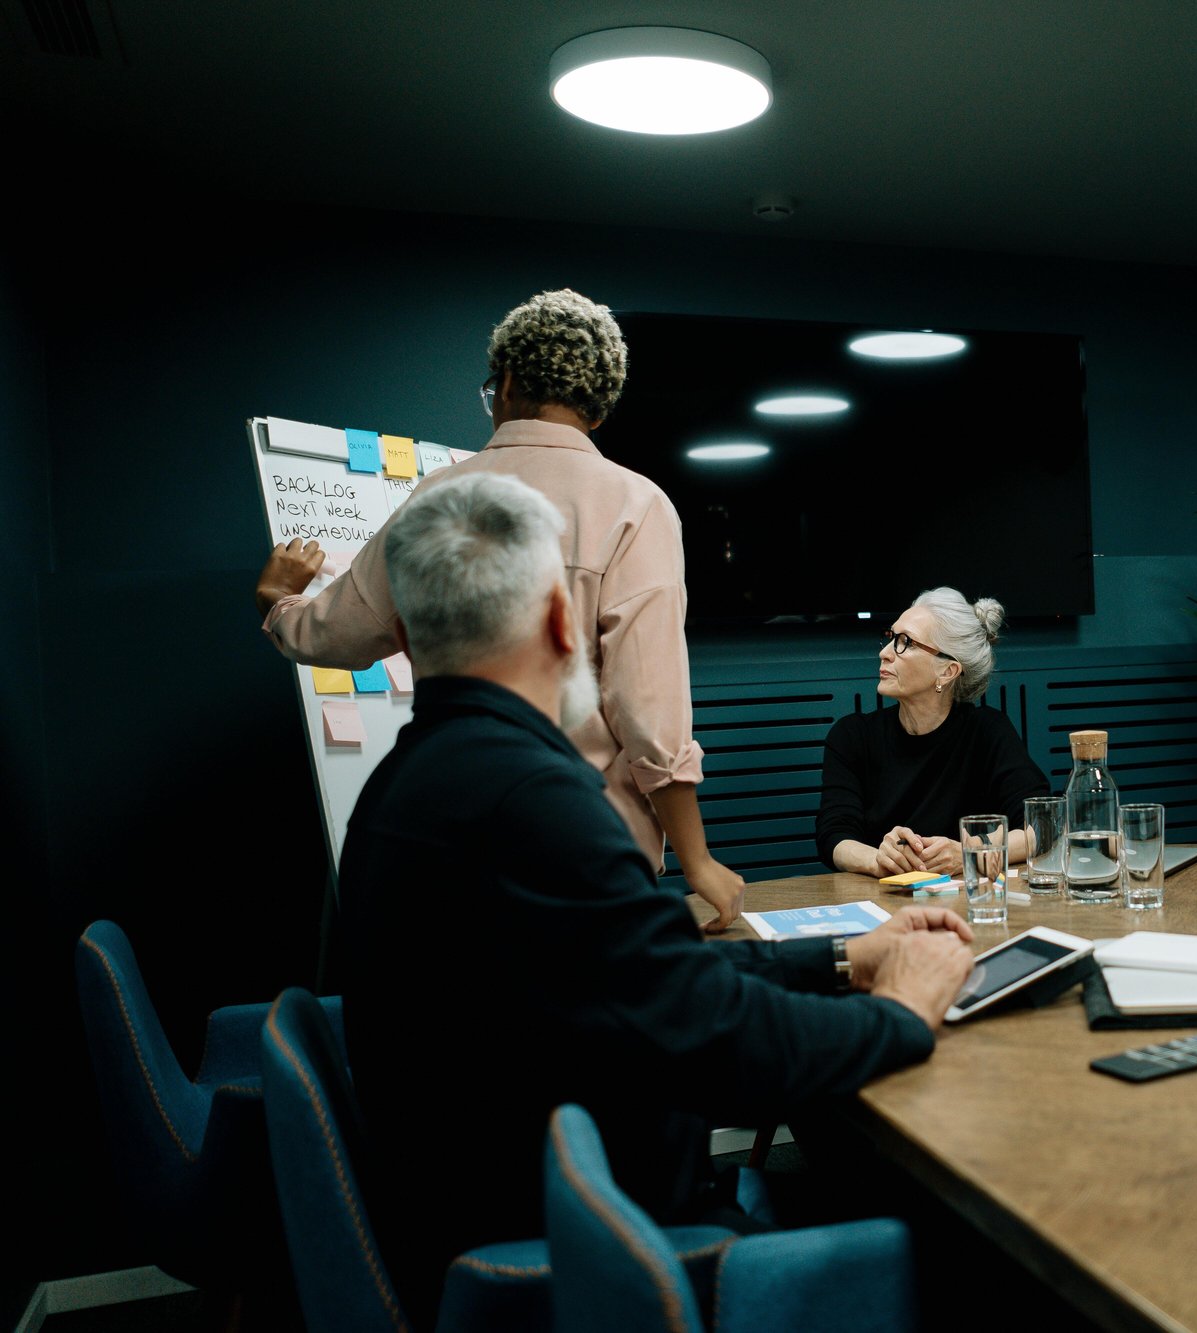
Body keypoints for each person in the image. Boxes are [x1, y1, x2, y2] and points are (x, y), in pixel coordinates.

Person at [339, 470, 975, 1314]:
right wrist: (897, 1014)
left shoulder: (407, 783)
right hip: (595, 1252)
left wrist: (841, 957)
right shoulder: (538, 802)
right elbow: (713, 1039)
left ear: (405, 635)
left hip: (474, 1213)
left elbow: (651, 978)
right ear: (565, 623)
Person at [254, 289, 748, 931]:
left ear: (508, 381)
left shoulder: (434, 499)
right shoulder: (637, 504)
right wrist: (698, 859)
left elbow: (333, 635)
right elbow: (648, 707)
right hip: (589, 847)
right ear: (597, 414)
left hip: (442, 831)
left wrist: (279, 601)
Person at [816, 589, 1049, 876]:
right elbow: (834, 837)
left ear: (948, 671)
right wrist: (878, 859)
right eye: (891, 638)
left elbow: (1041, 825)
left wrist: (970, 851)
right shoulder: (852, 736)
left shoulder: (987, 731)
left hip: (968, 903)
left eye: (905, 643)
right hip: (882, 905)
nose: (884, 653)